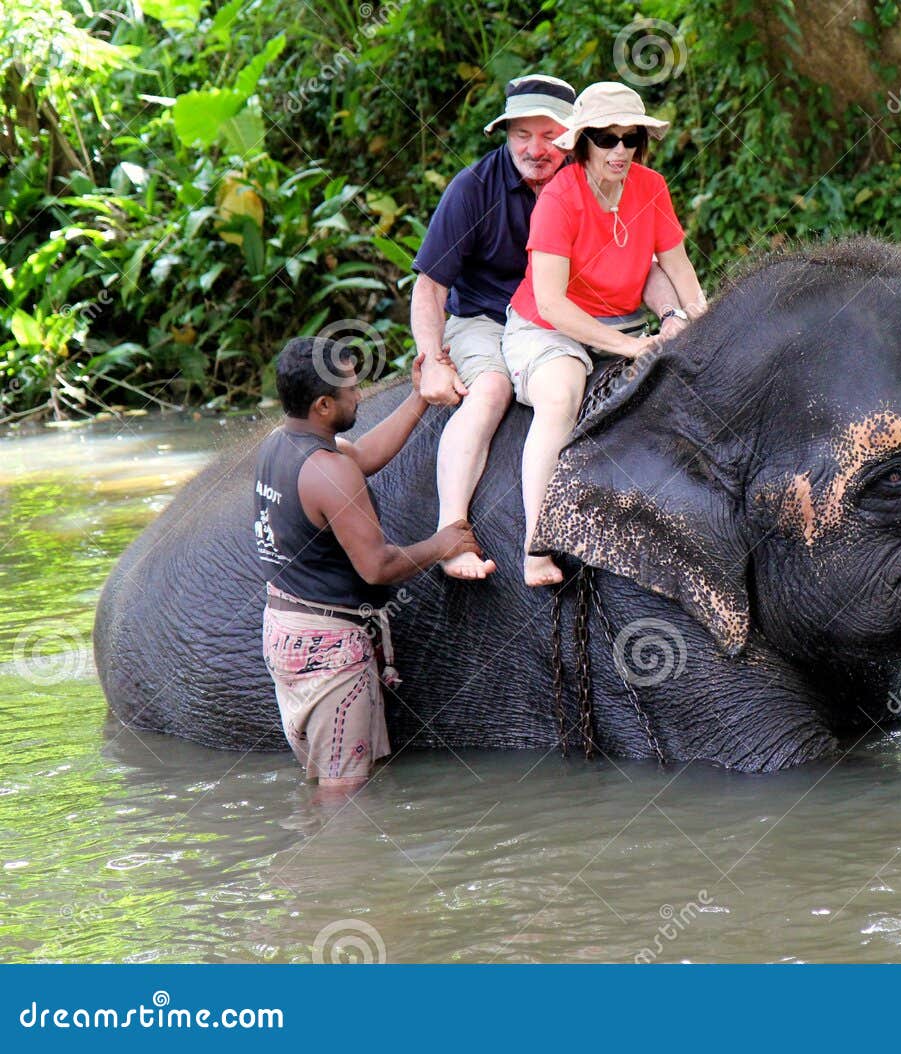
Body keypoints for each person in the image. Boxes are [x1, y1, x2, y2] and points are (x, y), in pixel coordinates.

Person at [410, 74, 691, 580]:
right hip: (491, 318)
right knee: (493, 390)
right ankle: (452, 531)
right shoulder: (478, 189)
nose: (535, 148)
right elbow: (430, 286)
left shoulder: (617, 182)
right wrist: (432, 359)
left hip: (581, 315)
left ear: (566, 136)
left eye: (547, 135)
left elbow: (648, 263)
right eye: (522, 134)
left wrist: (679, 318)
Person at [503, 82, 708, 588]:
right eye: (606, 138)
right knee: (562, 392)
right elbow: (551, 301)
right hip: (548, 328)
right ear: (582, 142)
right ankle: (535, 544)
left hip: (624, 321)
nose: (619, 150)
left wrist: (695, 322)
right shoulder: (559, 198)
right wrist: (631, 347)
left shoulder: (650, 186)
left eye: (630, 138)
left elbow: (679, 269)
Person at [255, 337, 479, 795]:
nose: (359, 396)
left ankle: (318, 860)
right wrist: (444, 542)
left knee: (323, 782)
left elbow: (362, 457)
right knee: (344, 796)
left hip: (285, 628)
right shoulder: (326, 472)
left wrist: (418, 399)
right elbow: (377, 567)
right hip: (330, 648)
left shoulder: (281, 445)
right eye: (351, 390)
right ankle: (340, 865)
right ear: (322, 404)